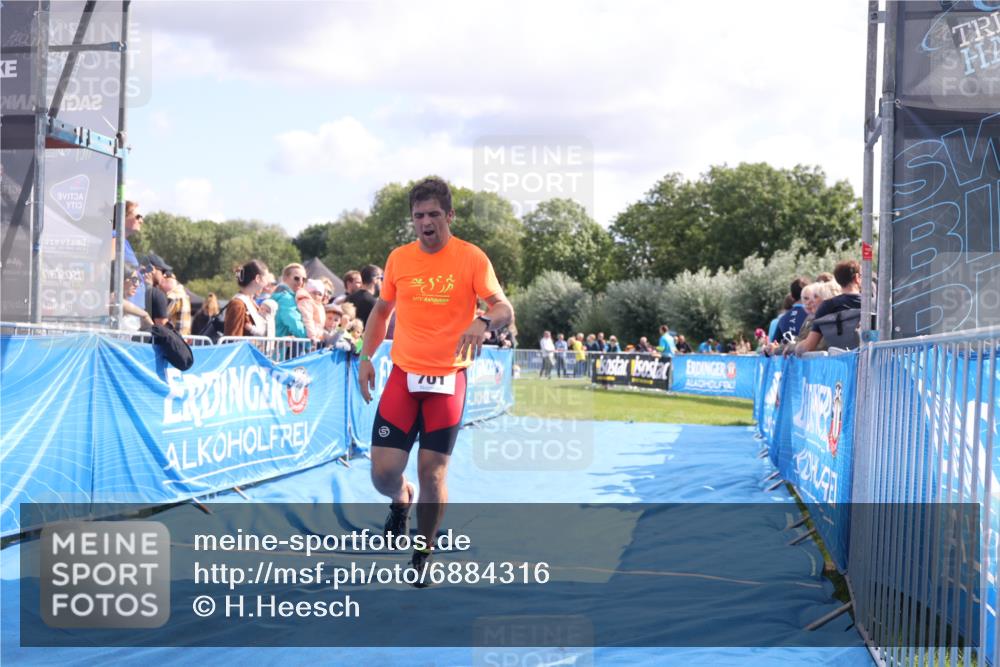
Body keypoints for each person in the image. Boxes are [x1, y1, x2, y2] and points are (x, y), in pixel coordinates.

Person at [358, 177, 513, 583]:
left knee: (433, 471)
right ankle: (399, 498)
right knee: (382, 473)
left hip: (449, 378)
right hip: (404, 376)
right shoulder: (399, 258)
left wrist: (483, 321)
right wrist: (366, 356)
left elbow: (503, 307)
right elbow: (381, 312)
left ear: (449, 216)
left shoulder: (472, 258)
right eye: (418, 216)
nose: (426, 223)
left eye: (433, 215)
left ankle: (423, 552)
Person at [797, 260, 863, 353]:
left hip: (838, 364)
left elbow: (809, 346)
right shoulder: (873, 304)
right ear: (857, 278)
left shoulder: (827, 306)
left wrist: (794, 348)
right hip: (872, 362)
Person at [225, 260, 271, 337]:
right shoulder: (238, 304)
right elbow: (233, 338)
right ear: (258, 278)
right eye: (266, 278)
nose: (267, 284)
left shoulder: (251, 302)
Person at [273, 263, 309, 338]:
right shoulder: (286, 299)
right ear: (285, 278)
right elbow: (295, 324)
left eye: (304, 279)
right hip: (281, 348)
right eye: (296, 278)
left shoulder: (281, 295)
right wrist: (311, 340)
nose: (301, 282)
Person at [117, 263, 153, 332]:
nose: (137, 284)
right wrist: (145, 315)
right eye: (134, 279)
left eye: (138, 280)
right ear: (122, 280)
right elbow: (115, 300)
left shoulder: (127, 302)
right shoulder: (114, 300)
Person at [774, 277, 811, 343]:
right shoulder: (813, 315)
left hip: (787, 352)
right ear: (808, 294)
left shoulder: (782, 318)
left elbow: (774, 344)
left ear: (792, 295)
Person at [140, 253, 170, 327]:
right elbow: (162, 325)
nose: (165, 275)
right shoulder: (157, 294)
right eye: (163, 271)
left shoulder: (133, 290)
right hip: (149, 338)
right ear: (152, 269)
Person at [159, 270, 191, 335]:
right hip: (183, 337)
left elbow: (162, 317)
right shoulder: (183, 294)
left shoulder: (173, 297)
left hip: (176, 338)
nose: (160, 286)